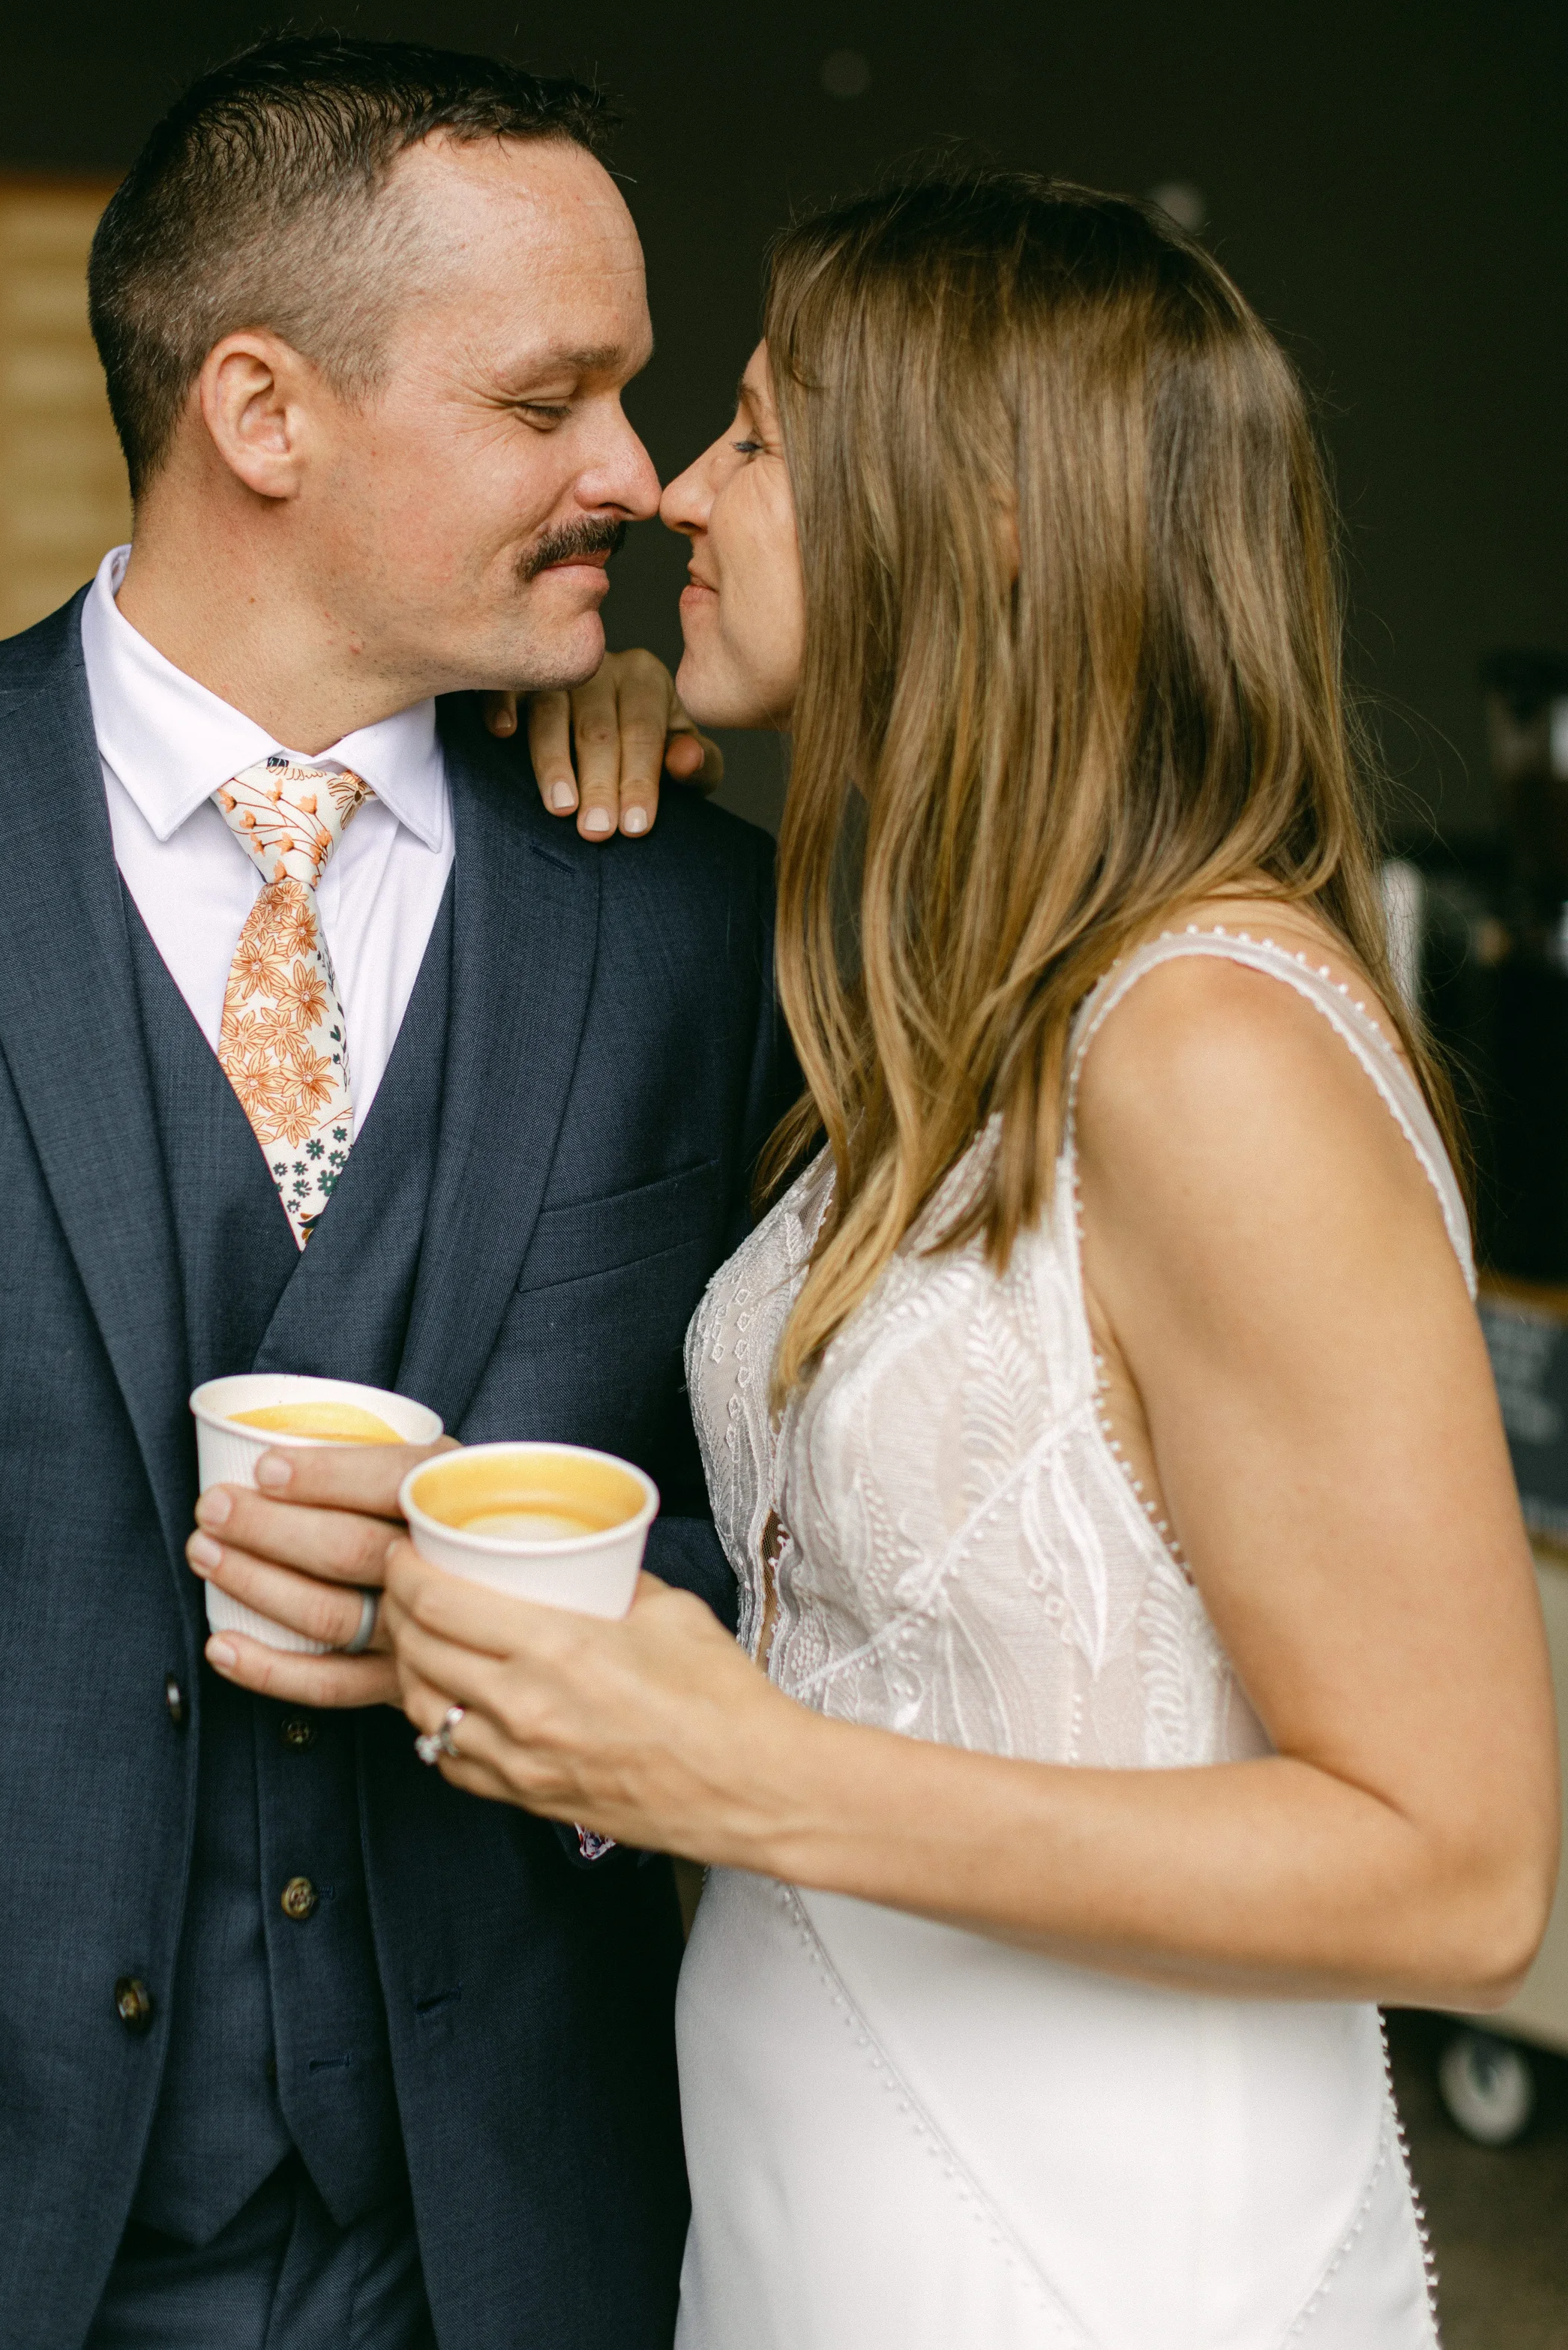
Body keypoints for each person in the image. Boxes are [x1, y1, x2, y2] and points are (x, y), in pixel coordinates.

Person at [385, 169, 1561, 2346]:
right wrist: (578, 775)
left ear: (988, 516)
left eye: (755, 430)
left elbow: (1465, 1868)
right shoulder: (965, 1009)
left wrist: (743, 1774)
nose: (674, 499)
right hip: (812, 2218)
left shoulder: (1205, 1042)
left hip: (1096, 2266)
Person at [0, 34, 796, 2350]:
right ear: (262, 413)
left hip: (512, 2232)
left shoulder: (689, 916)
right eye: (548, 400)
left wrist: (576, 1614)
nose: (637, 473)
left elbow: (801, 1547)